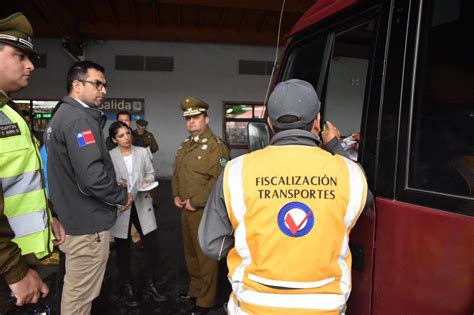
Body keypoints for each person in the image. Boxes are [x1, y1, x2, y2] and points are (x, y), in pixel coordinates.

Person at [199, 79, 373, 315]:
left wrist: (252, 237)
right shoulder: (349, 174)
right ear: (318, 121)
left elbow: (213, 246)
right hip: (325, 309)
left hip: (253, 307)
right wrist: (335, 147)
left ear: (269, 122)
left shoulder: (236, 171)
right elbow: (364, 203)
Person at [45, 60, 132, 315]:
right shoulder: (78, 120)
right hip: (86, 226)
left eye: (105, 85)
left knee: (75, 292)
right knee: (79, 298)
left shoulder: (62, 116)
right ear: (77, 85)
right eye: (97, 84)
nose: (103, 90)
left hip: (74, 217)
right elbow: (91, 176)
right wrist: (119, 196)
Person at [0, 12, 65, 313]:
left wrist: (47, 215)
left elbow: (19, 180)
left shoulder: (10, 112)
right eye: (19, 56)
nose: (31, 66)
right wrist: (14, 271)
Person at [172, 96, 230, 315]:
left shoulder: (216, 147)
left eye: (196, 117)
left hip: (205, 209)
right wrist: (176, 194)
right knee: (191, 253)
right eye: (188, 119)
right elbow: (176, 173)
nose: (191, 122)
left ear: (206, 119)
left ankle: (206, 301)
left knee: (206, 256)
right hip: (185, 209)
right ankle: (195, 290)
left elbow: (219, 180)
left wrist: (194, 201)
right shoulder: (185, 145)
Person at [108, 121, 166, 307]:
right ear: (113, 139)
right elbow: (108, 181)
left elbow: (151, 173)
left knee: (152, 247)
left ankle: (150, 285)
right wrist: (119, 185)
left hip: (142, 202)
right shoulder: (110, 156)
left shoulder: (142, 152)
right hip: (122, 206)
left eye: (128, 134)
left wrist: (146, 180)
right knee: (124, 250)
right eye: (121, 135)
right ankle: (127, 287)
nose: (126, 138)